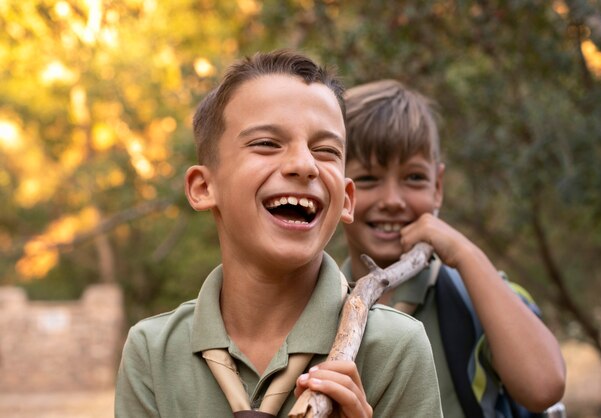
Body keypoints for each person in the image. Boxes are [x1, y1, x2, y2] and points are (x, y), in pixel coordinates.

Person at [115, 52, 443, 418]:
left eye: (326, 150)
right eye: (267, 144)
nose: (304, 165)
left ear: (346, 200)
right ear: (203, 187)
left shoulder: (396, 348)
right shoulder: (153, 352)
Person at [341, 79, 566, 418]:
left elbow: (544, 387)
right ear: (341, 190)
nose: (392, 201)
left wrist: (465, 253)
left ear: (438, 186)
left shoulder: (474, 292)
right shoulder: (320, 299)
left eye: (414, 178)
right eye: (369, 179)